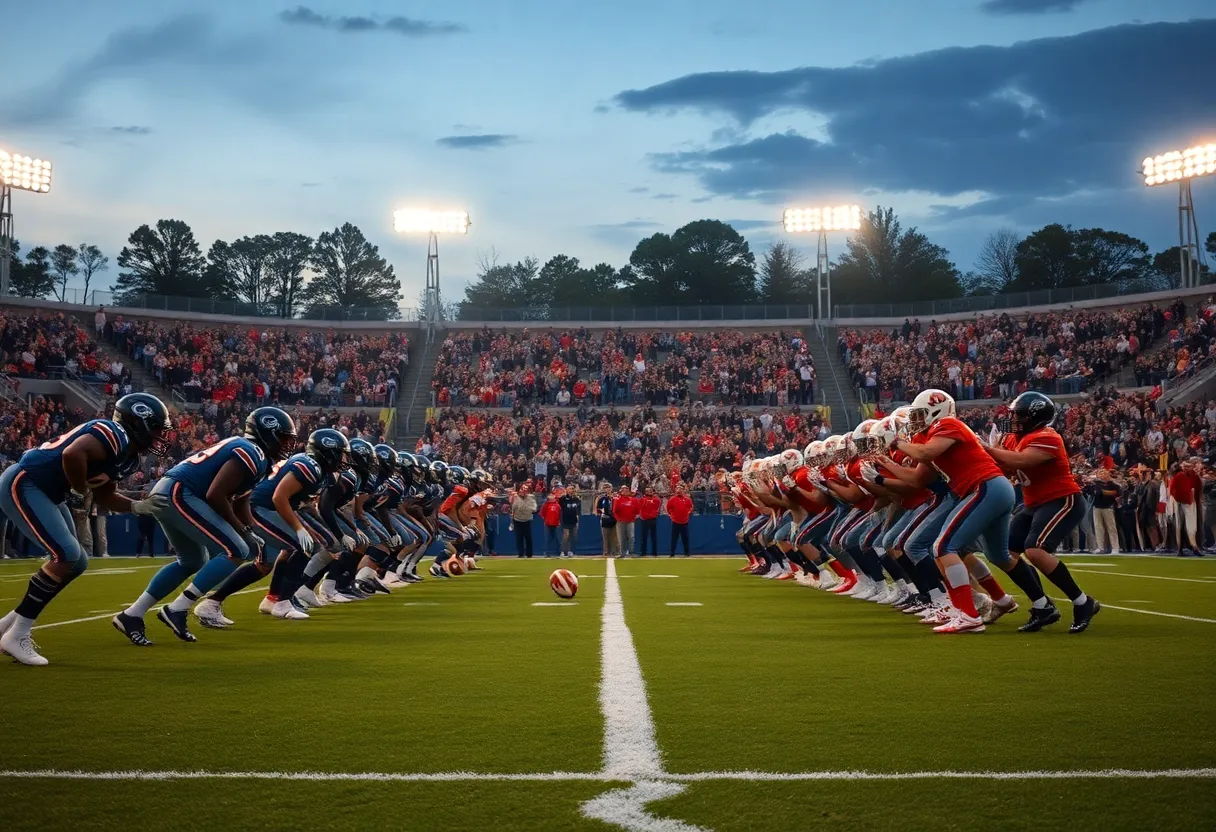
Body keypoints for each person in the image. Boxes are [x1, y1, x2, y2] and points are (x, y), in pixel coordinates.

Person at [0, 393, 172, 665]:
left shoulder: (129, 457)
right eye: (156, 429)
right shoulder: (113, 432)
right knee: (66, 555)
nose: (160, 436)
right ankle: (17, 634)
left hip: (49, 492)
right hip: (27, 481)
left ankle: (9, 624)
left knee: (77, 562)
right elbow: (73, 453)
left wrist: (138, 507)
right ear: (137, 422)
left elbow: (105, 496)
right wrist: (80, 489)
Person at [112, 407, 296, 647]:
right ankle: (177, 609)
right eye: (283, 438)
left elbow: (239, 500)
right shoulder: (252, 452)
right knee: (236, 550)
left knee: (192, 561)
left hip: (171, 491)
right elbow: (216, 495)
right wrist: (240, 531)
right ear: (267, 433)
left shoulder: (258, 457)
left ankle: (131, 615)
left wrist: (250, 528)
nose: (287, 445)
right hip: (180, 492)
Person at [984, 391, 1100, 633]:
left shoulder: (1047, 436)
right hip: (1033, 503)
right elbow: (1004, 468)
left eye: (1019, 415)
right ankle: (1042, 605)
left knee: (1035, 550)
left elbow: (1022, 461)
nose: (1013, 420)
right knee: (1003, 554)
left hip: (1061, 499)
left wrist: (987, 448)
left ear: (1034, 417)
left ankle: (1082, 602)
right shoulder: (1014, 438)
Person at [1169, 459, 1203, 556]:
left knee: (1192, 526)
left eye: (1188, 467)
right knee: (1180, 525)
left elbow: (1198, 488)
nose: (1187, 469)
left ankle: (1194, 546)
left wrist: (1197, 498)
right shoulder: (1178, 476)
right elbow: (1171, 490)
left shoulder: (1194, 476)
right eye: (1185, 467)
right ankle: (1180, 548)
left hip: (1190, 502)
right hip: (1180, 502)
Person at [1088, 469, 1122, 554]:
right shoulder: (1095, 484)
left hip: (1108, 507)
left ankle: (1115, 547)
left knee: (1111, 528)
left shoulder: (1112, 484)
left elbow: (1117, 493)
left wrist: (1103, 492)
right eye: (1100, 472)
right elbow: (1091, 492)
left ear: (1108, 474)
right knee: (1098, 528)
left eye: (1104, 472)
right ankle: (1100, 547)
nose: (1102, 474)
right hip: (1097, 507)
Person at [667, 483, 694, 556]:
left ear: (683, 490)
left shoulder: (687, 499)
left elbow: (691, 507)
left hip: (684, 522)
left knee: (685, 539)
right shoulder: (672, 499)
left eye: (680, 489)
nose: (679, 490)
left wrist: (688, 513)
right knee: (674, 539)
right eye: (677, 489)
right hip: (675, 522)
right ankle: (672, 553)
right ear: (675, 490)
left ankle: (687, 553)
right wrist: (671, 515)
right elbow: (668, 508)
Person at [510, 485, 537, 558]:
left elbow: (534, 508)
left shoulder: (531, 497)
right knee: (519, 537)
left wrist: (527, 509)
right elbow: (512, 508)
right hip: (517, 520)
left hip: (527, 519)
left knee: (528, 537)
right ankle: (520, 553)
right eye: (522, 489)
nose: (524, 491)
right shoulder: (515, 497)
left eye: (526, 489)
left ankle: (529, 554)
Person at [613, 485, 638, 556]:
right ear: (620, 491)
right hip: (621, 522)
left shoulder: (633, 500)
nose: (626, 490)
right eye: (623, 489)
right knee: (621, 538)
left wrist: (633, 518)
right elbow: (614, 511)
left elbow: (636, 510)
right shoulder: (617, 500)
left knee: (631, 537)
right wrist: (618, 519)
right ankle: (622, 553)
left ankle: (631, 552)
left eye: (627, 489)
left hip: (630, 521)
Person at [637, 485, 661, 556]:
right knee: (644, 536)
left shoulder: (656, 499)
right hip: (644, 520)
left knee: (654, 537)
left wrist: (653, 515)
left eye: (650, 491)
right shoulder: (642, 499)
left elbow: (656, 508)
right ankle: (643, 552)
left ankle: (654, 552)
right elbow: (640, 507)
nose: (649, 492)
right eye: (647, 491)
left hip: (652, 519)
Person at [558, 485, 581, 557]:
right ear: (567, 490)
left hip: (574, 521)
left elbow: (578, 511)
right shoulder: (563, 498)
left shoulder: (577, 499)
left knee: (573, 537)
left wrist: (578, 521)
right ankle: (562, 551)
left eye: (573, 489)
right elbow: (559, 506)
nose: (572, 490)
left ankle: (570, 551)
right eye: (570, 489)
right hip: (565, 520)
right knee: (566, 536)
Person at [595, 483, 617, 557]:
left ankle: (614, 552)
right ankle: (606, 552)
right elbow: (598, 508)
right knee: (605, 537)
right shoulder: (601, 498)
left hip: (614, 519)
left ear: (611, 488)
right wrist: (600, 513)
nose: (607, 489)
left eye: (609, 487)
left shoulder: (616, 497)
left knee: (614, 537)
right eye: (606, 488)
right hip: (605, 519)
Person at [540, 491, 561, 557]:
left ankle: (559, 552)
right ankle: (547, 552)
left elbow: (559, 514)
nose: (552, 497)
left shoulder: (557, 505)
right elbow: (542, 514)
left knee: (558, 539)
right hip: (547, 524)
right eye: (550, 495)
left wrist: (559, 521)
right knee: (548, 539)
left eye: (553, 495)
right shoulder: (545, 505)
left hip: (556, 524)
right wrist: (547, 520)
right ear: (548, 497)